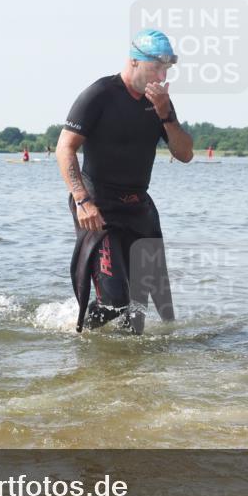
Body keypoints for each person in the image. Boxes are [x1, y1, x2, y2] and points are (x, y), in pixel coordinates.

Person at [57, 29, 194, 333]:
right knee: (115, 301)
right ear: (134, 61)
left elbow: (185, 154)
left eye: (166, 69)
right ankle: (77, 333)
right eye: (156, 68)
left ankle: (128, 374)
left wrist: (166, 116)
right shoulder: (100, 94)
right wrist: (82, 200)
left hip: (137, 208)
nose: (161, 75)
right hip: (98, 206)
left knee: (136, 316)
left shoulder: (161, 103)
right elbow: (64, 147)